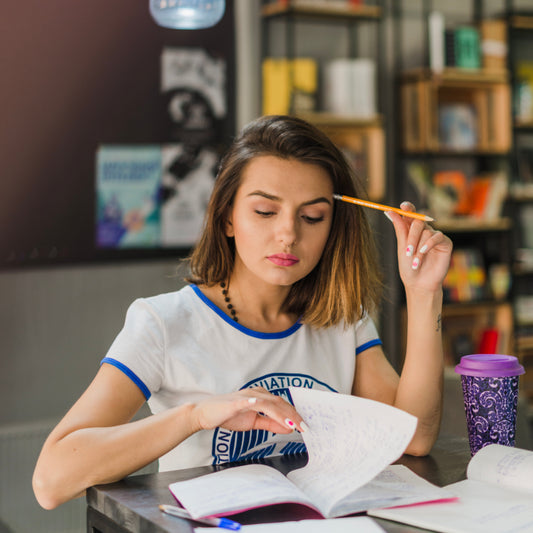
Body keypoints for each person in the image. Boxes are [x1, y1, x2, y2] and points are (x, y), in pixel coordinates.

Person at [33, 115, 452, 510]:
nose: (288, 233)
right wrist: (195, 416)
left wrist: (423, 293)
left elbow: (413, 438)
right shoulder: (163, 323)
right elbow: (51, 481)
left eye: (312, 216)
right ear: (227, 217)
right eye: (265, 211)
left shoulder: (342, 316)